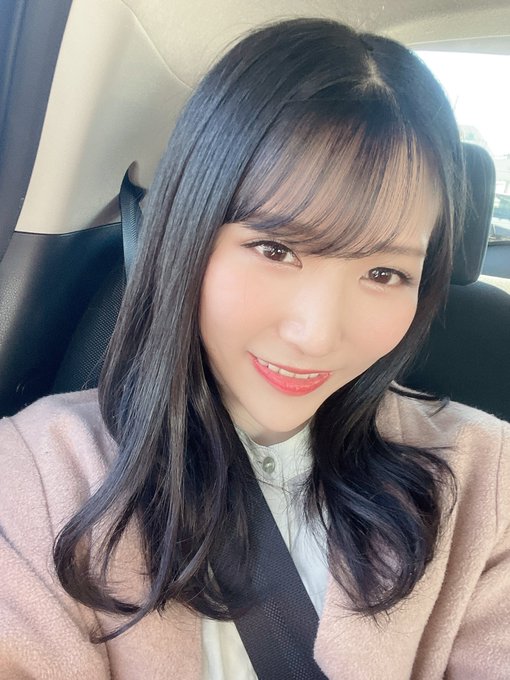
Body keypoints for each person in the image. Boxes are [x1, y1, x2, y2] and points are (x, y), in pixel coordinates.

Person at [0, 17, 508, 680]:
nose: (317, 334)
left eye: (385, 273)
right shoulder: (37, 474)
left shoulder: (485, 480)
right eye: (275, 249)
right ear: (188, 234)